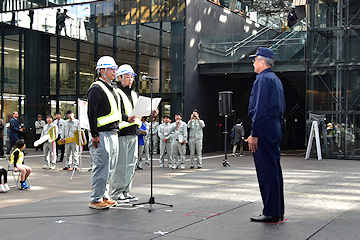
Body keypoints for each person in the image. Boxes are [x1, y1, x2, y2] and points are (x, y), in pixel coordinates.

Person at [247, 47, 286, 223]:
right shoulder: (275, 79)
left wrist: (254, 133)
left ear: (262, 61)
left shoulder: (262, 80)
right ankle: (277, 210)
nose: (253, 63)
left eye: (255, 60)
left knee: (266, 171)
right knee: (274, 170)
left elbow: (260, 110)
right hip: (274, 125)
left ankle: (270, 212)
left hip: (264, 127)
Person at [87, 56, 120, 209]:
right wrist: (94, 134)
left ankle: (104, 196)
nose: (115, 72)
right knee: (101, 166)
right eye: (112, 69)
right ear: (102, 71)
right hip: (101, 134)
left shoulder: (110, 88)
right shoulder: (96, 88)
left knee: (110, 167)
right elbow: (91, 112)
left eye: (115, 69)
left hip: (112, 132)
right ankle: (95, 199)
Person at [112, 64, 143, 203]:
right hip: (122, 133)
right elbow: (116, 113)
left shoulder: (134, 94)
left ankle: (126, 191)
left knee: (131, 164)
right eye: (127, 76)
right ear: (120, 78)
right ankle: (117, 192)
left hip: (134, 132)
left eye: (132, 77)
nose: (130, 79)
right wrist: (126, 118)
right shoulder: (116, 93)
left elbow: (139, 113)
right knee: (121, 165)